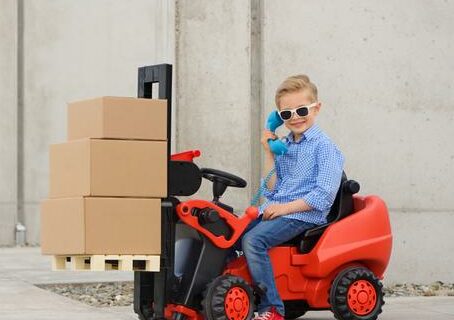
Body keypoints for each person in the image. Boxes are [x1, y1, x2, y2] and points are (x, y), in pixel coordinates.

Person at [243, 74, 344, 320]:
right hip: (279, 209)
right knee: (229, 234)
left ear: (316, 108)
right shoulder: (285, 145)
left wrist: (284, 209)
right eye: (286, 114)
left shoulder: (325, 147)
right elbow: (271, 190)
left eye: (301, 110)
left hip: (304, 214)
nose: (295, 117)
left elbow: (323, 196)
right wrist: (269, 153)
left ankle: (272, 308)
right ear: (279, 117)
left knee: (254, 241)